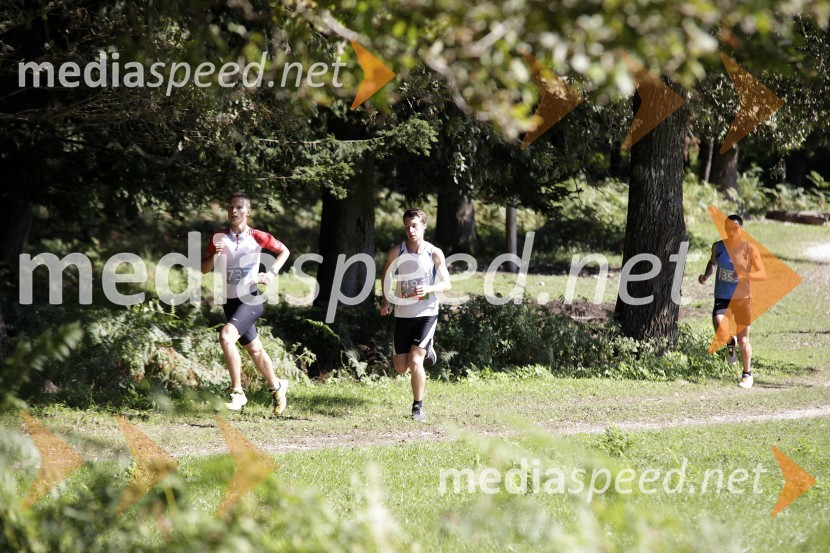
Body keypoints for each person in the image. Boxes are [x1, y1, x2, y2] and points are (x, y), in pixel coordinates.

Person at [201, 192, 291, 414]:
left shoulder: (257, 236)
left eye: (239, 208)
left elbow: (284, 251)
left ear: (247, 212)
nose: (234, 211)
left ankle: (238, 392)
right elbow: (203, 269)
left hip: (251, 299)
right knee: (255, 350)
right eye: (231, 207)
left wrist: (270, 273)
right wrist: (215, 256)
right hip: (230, 302)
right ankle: (277, 386)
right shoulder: (218, 237)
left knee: (226, 336)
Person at [380, 208, 452, 421]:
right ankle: (429, 352)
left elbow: (447, 283)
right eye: (407, 226)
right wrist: (386, 301)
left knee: (414, 361)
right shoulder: (397, 252)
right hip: (403, 314)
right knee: (401, 368)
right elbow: (386, 276)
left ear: (423, 226)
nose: (410, 230)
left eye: (415, 226)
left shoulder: (434, 252)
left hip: (427, 312)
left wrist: (428, 289)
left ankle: (417, 407)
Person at [698, 214, 766, 389]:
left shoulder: (749, 249)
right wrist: (706, 275)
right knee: (720, 328)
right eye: (727, 228)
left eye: (734, 229)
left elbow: (761, 274)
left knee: (744, 340)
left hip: (743, 298)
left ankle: (747, 375)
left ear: (741, 229)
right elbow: (713, 263)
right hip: (722, 296)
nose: (730, 232)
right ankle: (729, 342)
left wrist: (745, 274)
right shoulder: (718, 247)